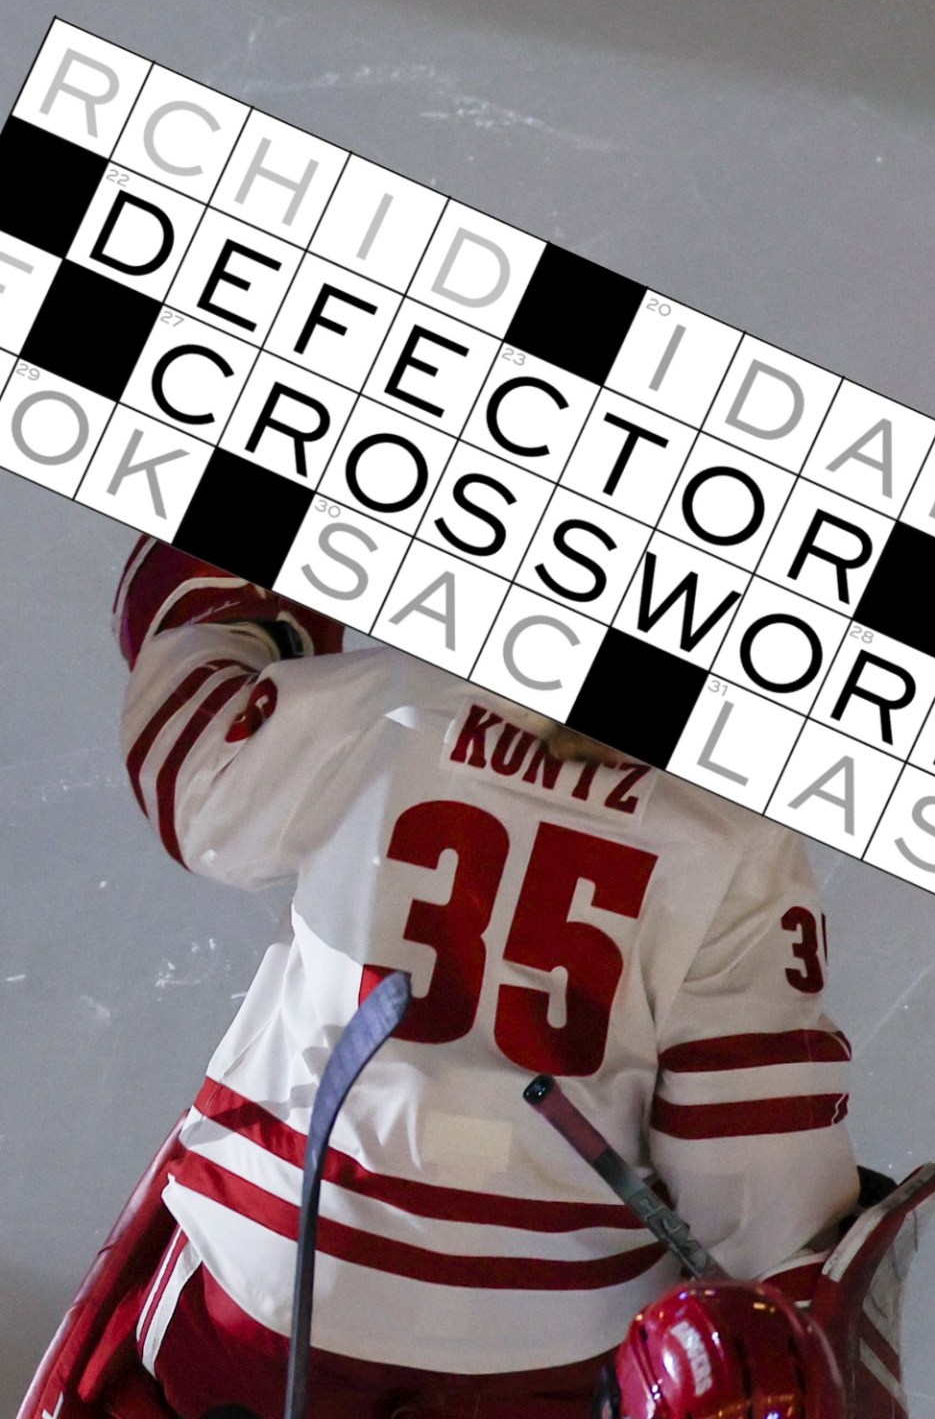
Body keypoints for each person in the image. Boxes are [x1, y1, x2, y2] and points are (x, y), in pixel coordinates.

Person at [97, 538, 858, 1416]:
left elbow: (191, 779)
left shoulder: (384, 709)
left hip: (285, 1282)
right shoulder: (740, 839)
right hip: (552, 1342)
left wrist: (223, 616)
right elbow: (763, 1182)